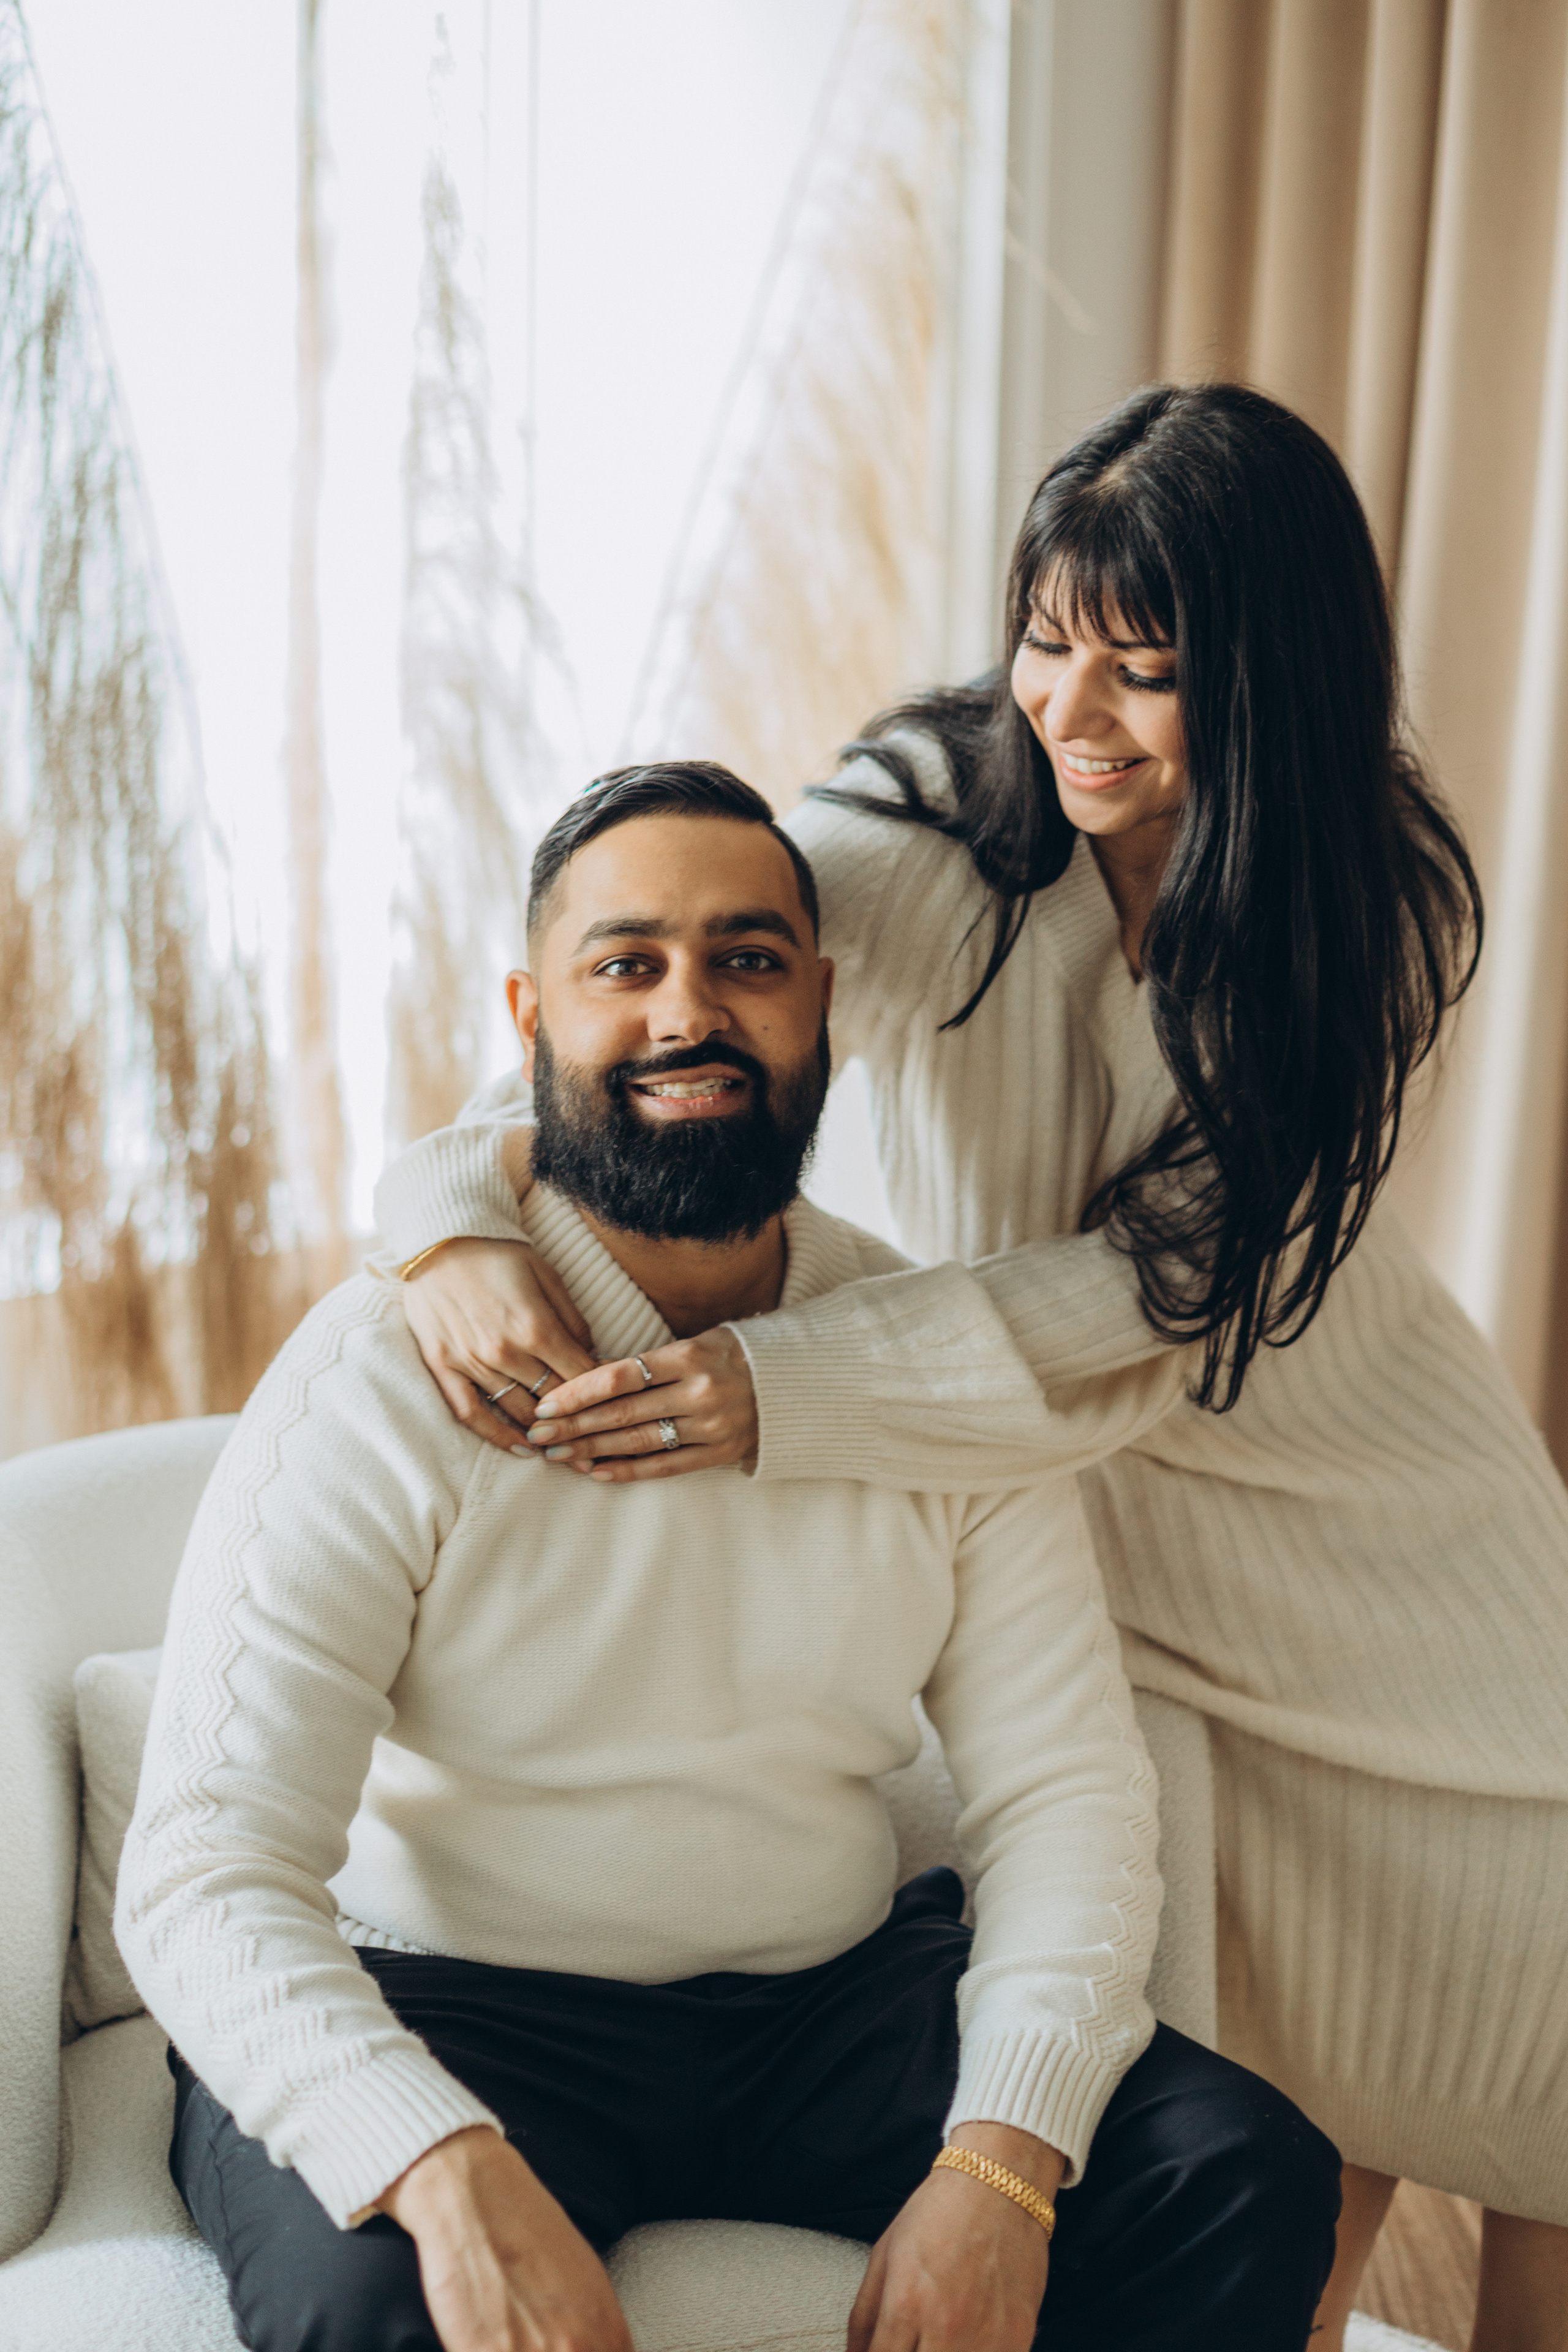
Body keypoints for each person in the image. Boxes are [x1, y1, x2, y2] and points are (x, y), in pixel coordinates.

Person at [373, 387, 1568, 2352]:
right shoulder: (943, 836)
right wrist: (443, 1217)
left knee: (1533, 2089)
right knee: (1279, 2116)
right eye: (1045, 638)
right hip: (1107, 1546)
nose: (1069, 711)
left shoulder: (1368, 901)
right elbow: (648, 981)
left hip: (1391, 1543)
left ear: (1268, 676)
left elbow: (1160, 1296)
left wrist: (796, 1384)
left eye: (1146, 668)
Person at [117, 762, 1338, 2352]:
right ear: (531, 1016)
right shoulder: (379, 1374)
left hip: (829, 2009)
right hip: (456, 1999)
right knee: (382, 2306)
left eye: (748, 961)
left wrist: (1004, 2159)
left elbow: (1069, 1792)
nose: (690, 1010)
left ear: (821, 1002)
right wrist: (429, 2157)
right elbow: (206, 1863)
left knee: (1243, 2175)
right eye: (627, 965)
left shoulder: (930, 1367)